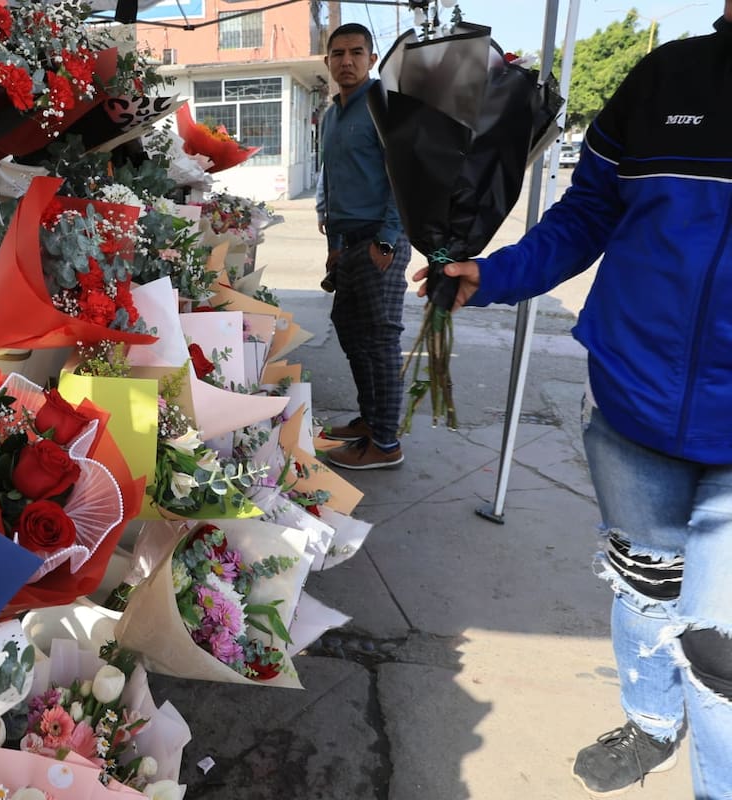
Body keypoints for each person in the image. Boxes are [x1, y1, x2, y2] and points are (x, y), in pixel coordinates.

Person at [415, 7, 732, 796]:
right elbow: (589, 211)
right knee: (642, 584)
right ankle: (652, 720)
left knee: (722, 649)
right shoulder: (667, 77)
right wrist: (496, 275)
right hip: (634, 404)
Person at [315, 22, 411, 470]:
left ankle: (387, 444)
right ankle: (371, 421)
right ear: (328, 60)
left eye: (356, 52)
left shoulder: (383, 106)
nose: (346, 61)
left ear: (372, 59)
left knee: (380, 342)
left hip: (379, 241)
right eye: (338, 53)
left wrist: (388, 240)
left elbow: (401, 176)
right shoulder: (331, 114)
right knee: (353, 333)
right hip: (348, 243)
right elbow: (332, 181)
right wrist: (334, 241)